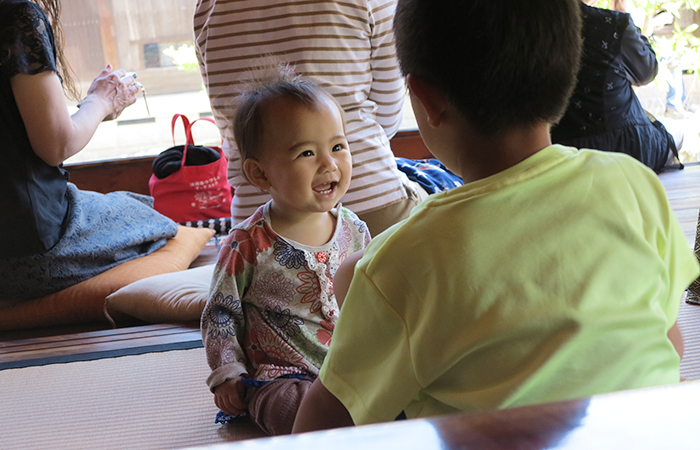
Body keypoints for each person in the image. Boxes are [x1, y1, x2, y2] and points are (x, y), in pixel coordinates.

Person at [292, 0, 700, 432]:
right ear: (569, 68)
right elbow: (670, 346)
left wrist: (367, 285)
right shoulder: (635, 185)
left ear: (427, 99)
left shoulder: (406, 259)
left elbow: (321, 425)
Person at [200, 65, 372, 436]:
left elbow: (375, 296)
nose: (329, 164)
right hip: (282, 373)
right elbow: (220, 312)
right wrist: (228, 372)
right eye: (307, 153)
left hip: (346, 367)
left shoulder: (356, 230)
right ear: (261, 175)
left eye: (338, 147)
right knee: (285, 407)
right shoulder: (248, 243)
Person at [193, 0, 431, 236]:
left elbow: (234, 130)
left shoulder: (207, 7)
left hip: (257, 219)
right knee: (437, 187)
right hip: (370, 202)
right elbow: (387, 118)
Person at [0, 0, 178, 301]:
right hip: (25, 252)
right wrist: (102, 100)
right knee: (151, 217)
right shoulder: (17, 16)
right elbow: (56, 144)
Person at [550, 0, 680, 173]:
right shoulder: (611, 24)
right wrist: (626, 17)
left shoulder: (532, 27)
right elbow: (648, 71)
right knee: (678, 134)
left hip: (557, 149)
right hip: (622, 147)